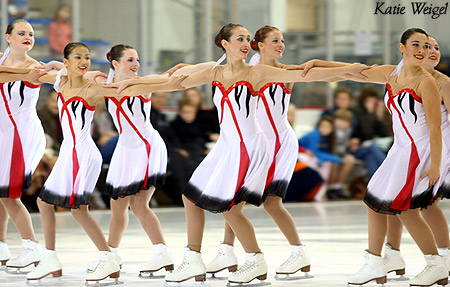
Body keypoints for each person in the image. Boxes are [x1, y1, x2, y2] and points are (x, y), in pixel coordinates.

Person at [111, 23, 368, 285]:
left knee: (232, 208)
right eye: (239, 39)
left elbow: (309, 76)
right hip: (227, 146)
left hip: (249, 145)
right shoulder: (216, 72)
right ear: (224, 43)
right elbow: (175, 83)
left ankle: (254, 259)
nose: (245, 43)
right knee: (190, 197)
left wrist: (349, 70)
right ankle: (194, 259)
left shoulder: (258, 72)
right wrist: (134, 81)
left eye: (247, 38)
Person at [3, 42, 185, 284]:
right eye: (78, 57)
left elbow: (160, 84)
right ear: (67, 63)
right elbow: (49, 69)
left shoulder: (94, 88)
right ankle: (54, 257)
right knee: (45, 203)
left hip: (84, 152)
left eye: (87, 57)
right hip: (74, 151)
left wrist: (177, 76)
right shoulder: (61, 81)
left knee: (78, 209)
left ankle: (105, 256)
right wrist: (50, 67)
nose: (84, 61)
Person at [206, 25, 311, 279]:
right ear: (260, 45)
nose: (282, 45)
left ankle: (299, 254)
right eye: (276, 41)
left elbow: (320, 74)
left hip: (278, 143)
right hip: (255, 143)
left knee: (270, 202)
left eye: (282, 41)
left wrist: (320, 62)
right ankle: (227, 251)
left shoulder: (285, 72)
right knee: (234, 198)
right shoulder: (249, 69)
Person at [100, 44, 175, 276]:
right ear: (115, 63)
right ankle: (111, 254)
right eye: (130, 60)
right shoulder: (106, 85)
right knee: (117, 204)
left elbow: (171, 80)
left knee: (139, 204)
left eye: (137, 60)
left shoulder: (142, 84)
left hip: (145, 146)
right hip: (126, 148)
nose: (136, 65)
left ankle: (162, 253)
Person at [383, 35, 450, 279]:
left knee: (426, 205)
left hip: (437, 150)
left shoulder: (442, 83)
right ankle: (393, 253)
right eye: (425, 46)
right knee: (393, 200)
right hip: (407, 149)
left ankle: (442, 258)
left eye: (436, 47)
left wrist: (438, 161)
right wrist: (318, 64)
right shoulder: (402, 75)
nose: (431, 51)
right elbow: (358, 71)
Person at [0, 19, 47, 271]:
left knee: (9, 194)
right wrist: (22, 74)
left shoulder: (36, 67)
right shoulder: (2, 61)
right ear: (8, 37)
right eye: (21, 33)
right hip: (4, 134)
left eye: (31, 33)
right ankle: (1, 245)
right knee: (0, 193)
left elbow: (55, 75)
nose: (28, 36)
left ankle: (31, 247)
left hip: (22, 135)